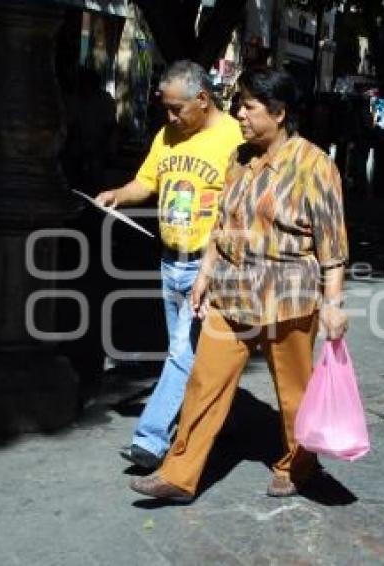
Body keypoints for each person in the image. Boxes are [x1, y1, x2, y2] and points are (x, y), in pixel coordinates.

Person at [129, 67, 349, 502]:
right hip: (230, 292)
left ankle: (298, 463)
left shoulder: (314, 165)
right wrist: (206, 273)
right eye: (240, 106)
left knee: (295, 392)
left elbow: (333, 245)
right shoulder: (238, 159)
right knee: (204, 382)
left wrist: (333, 303)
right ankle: (179, 473)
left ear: (279, 112)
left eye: (249, 107)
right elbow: (221, 222)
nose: (241, 115)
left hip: (288, 296)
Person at [95, 61, 244, 471]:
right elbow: (147, 182)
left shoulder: (235, 137)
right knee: (192, 351)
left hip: (208, 266)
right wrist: (118, 196)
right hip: (169, 261)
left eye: (177, 109)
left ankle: (150, 438)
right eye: (167, 109)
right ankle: (223, 419)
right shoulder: (168, 135)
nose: (171, 117)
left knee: (182, 352)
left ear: (202, 98)